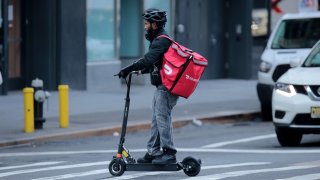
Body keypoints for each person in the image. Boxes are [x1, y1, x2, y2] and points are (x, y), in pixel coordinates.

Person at [117, 8, 178, 164]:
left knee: (162, 118)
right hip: (162, 86)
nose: (144, 26)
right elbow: (157, 64)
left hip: (166, 87)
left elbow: (148, 60)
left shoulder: (161, 40)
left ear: (154, 24)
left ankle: (169, 153)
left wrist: (127, 68)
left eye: (146, 23)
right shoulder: (159, 39)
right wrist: (141, 71)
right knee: (157, 119)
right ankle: (153, 151)